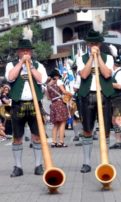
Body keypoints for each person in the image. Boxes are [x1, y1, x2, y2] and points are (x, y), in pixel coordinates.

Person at [5, 39, 48, 177]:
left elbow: (41, 80)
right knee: (17, 137)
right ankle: (18, 167)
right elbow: (11, 78)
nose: (25, 52)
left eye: (28, 50)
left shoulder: (38, 65)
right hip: (18, 104)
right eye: (23, 50)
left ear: (31, 51)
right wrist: (21, 63)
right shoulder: (10, 65)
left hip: (35, 104)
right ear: (18, 52)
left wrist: (31, 66)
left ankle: (38, 165)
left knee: (37, 136)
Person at [76, 29, 114, 173]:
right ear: (87, 44)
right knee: (87, 129)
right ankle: (86, 162)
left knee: (105, 131)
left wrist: (98, 58)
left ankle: (106, 160)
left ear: (99, 44)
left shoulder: (108, 58)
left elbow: (106, 73)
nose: (93, 46)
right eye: (91, 43)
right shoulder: (82, 58)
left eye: (96, 43)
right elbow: (84, 75)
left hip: (104, 95)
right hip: (87, 95)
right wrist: (91, 58)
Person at [46, 69, 71, 148]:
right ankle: (61, 142)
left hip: (53, 104)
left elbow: (48, 97)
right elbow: (64, 92)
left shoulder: (48, 85)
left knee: (55, 124)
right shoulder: (59, 82)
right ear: (56, 76)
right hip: (60, 103)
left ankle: (53, 142)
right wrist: (71, 94)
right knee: (62, 123)